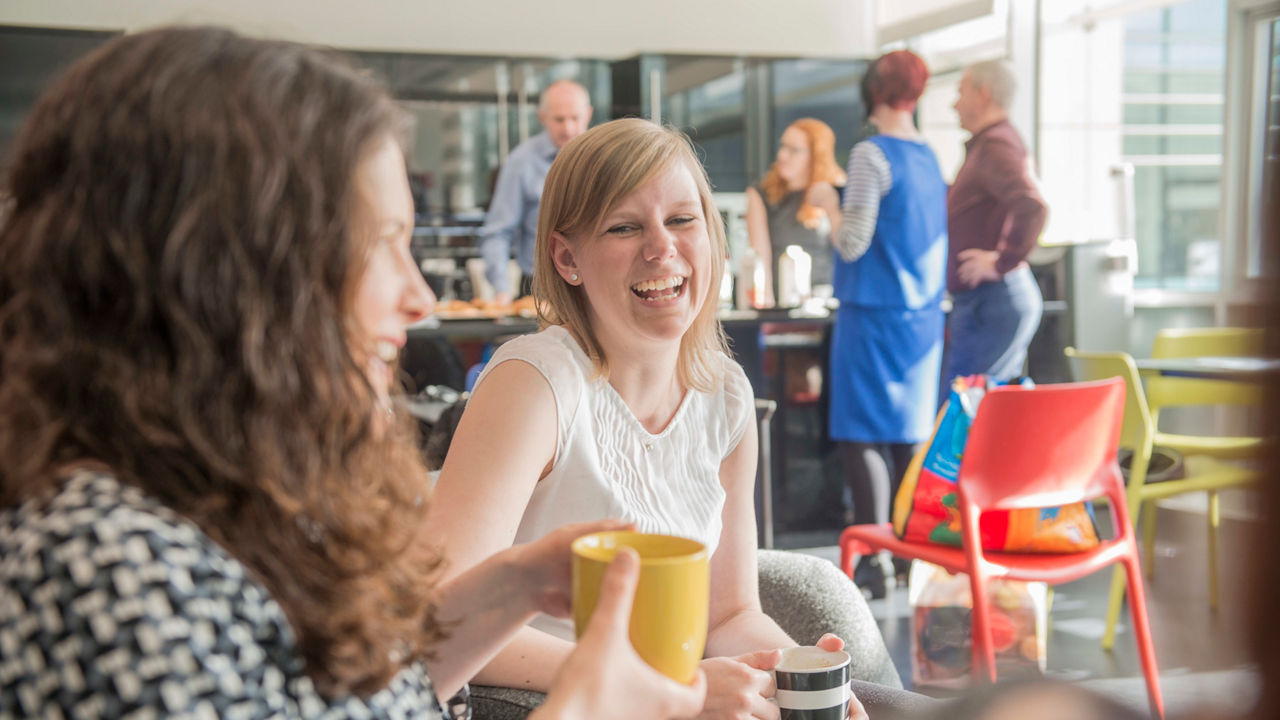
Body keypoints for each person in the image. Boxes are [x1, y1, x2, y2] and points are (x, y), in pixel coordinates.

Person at [0, 27, 706, 720]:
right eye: (383, 244)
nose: (420, 297)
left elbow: (353, 697)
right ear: (231, 277)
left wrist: (518, 585)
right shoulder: (102, 568)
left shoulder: (232, 496)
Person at [427, 118, 869, 720]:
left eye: (683, 221)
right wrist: (668, 692)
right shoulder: (534, 382)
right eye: (625, 227)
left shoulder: (728, 395)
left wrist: (795, 675)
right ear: (567, 257)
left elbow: (729, 615)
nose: (662, 249)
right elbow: (443, 618)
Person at [807, 50, 948, 599]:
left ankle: (872, 564)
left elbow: (853, 240)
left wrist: (828, 202)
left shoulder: (870, 154)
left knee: (860, 431)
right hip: (923, 317)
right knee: (907, 436)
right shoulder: (929, 155)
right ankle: (909, 556)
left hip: (872, 312)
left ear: (872, 91)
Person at [942, 59, 1048, 386]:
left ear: (982, 94)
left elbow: (1032, 205)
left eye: (961, 93)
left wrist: (1003, 261)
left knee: (963, 410)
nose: (954, 104)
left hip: (990, 299)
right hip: (987, 300)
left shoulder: (996, 146)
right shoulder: (989, 145)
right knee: (978, 411)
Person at [480, 79, 593, 304]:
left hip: (596, 282)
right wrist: (502, 289)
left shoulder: (604, 158)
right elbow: (498, 232)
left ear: (588, 115)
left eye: (575, 118)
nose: (568, 128)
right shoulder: (520, 162)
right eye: (559, 120)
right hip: (541, 289)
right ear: (542, 117)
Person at [745, 118, 847, 306]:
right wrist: (766, 310)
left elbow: (846, 249)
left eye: (794, 150)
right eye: (783, 146)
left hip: (829, 303)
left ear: (817, 156)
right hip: (783, 304)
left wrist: (831, 204)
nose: (782, 155)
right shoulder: (760, 195)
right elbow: (760, 260)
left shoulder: (836, 190)